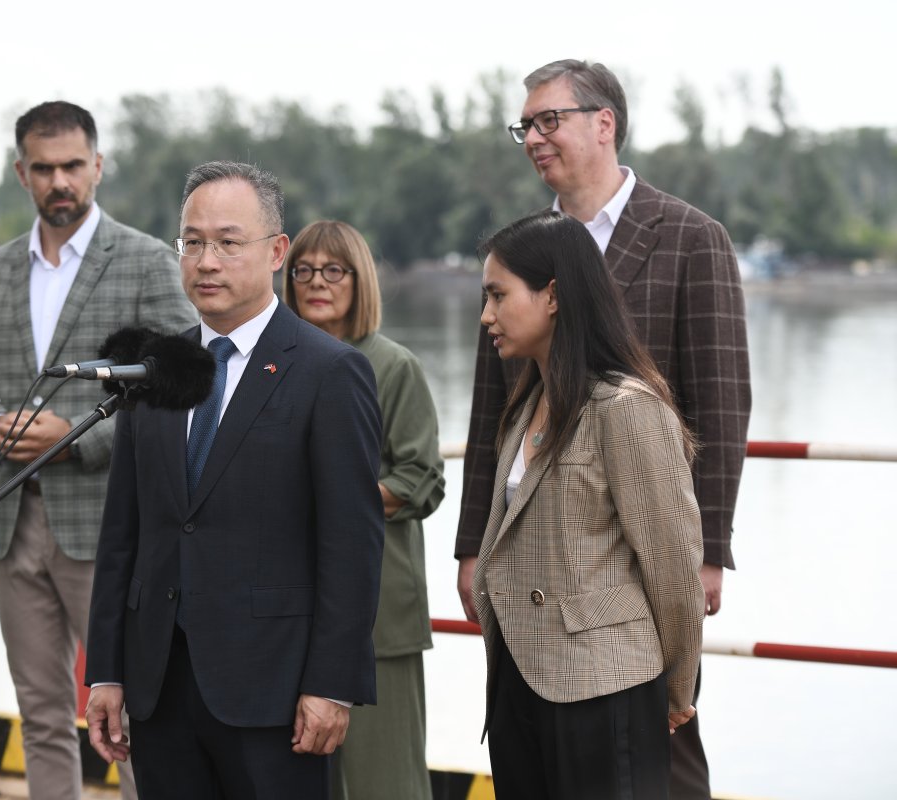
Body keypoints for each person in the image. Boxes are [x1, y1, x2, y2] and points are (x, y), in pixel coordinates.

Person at [454, 59, 751, 798]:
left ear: (604, 123)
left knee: (665, 747)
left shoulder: (691, 237)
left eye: (548, 120)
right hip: (536, 563)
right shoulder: (519, 257)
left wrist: (708, 552)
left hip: (642, 553)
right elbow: (491, 412)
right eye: (525, 125)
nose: (533, 138)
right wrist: (472, 546)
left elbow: (720, 403)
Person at [84, 161, 385, 800]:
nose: (206, 262)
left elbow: (351, 544)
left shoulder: (329, 371)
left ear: (276, 251)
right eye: (192, 242)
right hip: (159, 683)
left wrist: (331, 684)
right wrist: (106, 671)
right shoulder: (153, 370)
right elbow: (123, 533)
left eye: (227, 242)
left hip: (274, 688)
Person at [0, 101, 197, 800]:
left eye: (72, 166)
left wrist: (79, 437)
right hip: (11, 522)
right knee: (41, 714)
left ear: (98, 166)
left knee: (134, 714)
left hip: (110, 527)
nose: (59, 181)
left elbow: (185, 384)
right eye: (44, 168)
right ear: (21, 173)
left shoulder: (147, 260)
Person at [473, 210, 705, 797]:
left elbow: (674, 565)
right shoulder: (525, 407)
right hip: (518, 683)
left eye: (498, 295)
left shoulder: (626, 408)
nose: (486, 316)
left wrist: (678, 687)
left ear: (552, 295)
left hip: (605, 687)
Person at [282, 220, 444, 800]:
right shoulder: (276, 366)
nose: (316, 282)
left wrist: (334, 499)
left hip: (380, 615)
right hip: (288, 607)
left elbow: (421, 480)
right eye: (303, 270)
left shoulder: (393, 366)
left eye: (334, 270)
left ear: (361, 280)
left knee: (386, 784)